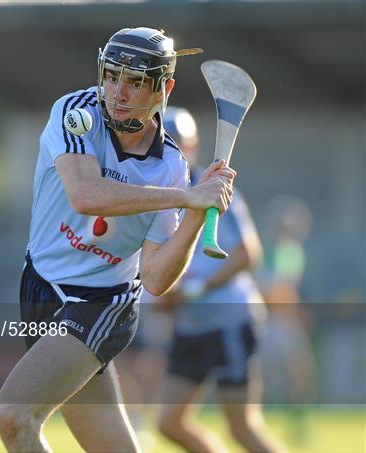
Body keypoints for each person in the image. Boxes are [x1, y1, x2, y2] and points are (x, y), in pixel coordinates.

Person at [0, 28, 236, 452]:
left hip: (101, 305)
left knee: (14, 416)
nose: (119, 92)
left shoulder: (170, 167)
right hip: (39, 286)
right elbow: (85, 195)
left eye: (137, 82)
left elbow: (158, 279)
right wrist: (186, 196)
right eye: (112, 76)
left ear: (164, 89)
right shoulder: (76, 113)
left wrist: (196, 215)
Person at [156, 106, 286, 453]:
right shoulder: (157, 197)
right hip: (191, 326)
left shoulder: (214, 191)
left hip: (230, 320)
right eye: (164, 144)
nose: (171, 152)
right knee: (169, 424)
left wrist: (195, 289)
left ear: (193, 147)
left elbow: (248, 254)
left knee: (242, 427)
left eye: (178, 144)